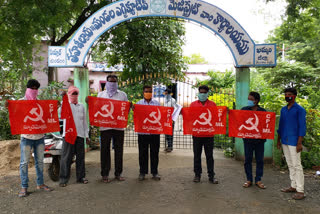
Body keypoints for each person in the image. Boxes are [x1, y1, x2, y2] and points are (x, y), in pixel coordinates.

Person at [6, 79, 53, 197]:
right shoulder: (20, 102)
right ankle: (24, 187)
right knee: (24, 162)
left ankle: (40, 184)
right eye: (32, 88)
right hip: (26, 137)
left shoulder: (41, 103)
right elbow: (14, 115)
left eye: (36, 88)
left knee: (40, 162)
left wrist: (55, 106)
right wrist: (9, 107)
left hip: (40, 137)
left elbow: (48, 116)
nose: (34, 90)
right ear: (27, 88)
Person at [98, 75, 128, 183]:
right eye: (110, 82)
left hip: (118, 128)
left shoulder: (122, 95)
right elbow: (96, 108)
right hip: (105, 128)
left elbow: (125, 110)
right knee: (105, 150)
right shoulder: (100, 95)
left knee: (119, 151)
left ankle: (118, 173)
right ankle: (105, 174)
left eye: (114, 82)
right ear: (106, 82)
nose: (112, 84)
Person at [277, 88, 306, 200]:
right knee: (290, 164)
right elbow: (281, 126)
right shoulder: (283, 109)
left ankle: (300, 190)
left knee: (297, 165)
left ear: (295, 96)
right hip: (284, 140)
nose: (287, 96)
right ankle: (293, 186)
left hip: (294, 141)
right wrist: (278, 140)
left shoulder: (299, 109)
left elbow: (302, 127)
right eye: (286, 94)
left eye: (289, 94)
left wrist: (299, 143)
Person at [59, 86, 89, 187]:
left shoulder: (81, 106)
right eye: (73, 93)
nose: (74, 95)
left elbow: (84, 121)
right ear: (69, 94)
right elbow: (61, 109)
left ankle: (81, 177)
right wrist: (63, 96)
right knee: (66, 158)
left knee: (80, 157)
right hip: (68, 135)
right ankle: (63, 179)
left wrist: (87, 135)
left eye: (76, 93)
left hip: (80, 135)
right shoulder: (66, 105)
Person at [190, 85, 218, 184]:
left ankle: (211, 176)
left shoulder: (213, 105)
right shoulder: (193, 105)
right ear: (198, 93)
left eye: (204, 93)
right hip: (197, 134)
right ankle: (197, 175)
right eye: (200, 92)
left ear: (207, 94)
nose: (202, 94)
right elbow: (190, 117)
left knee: (209, 156)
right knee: (197, 155)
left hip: (209, 135)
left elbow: (215, 117)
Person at [241, 92, 267, 189]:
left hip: (259, 141)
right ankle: (249, 180)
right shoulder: (244, 110)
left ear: (256, 100)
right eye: (248, 99)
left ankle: (258, 180)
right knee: (248, 159)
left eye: (250, 99)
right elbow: (238, 120)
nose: (249, 101)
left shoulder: (263, 111)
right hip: (248, 140)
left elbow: (266, 125)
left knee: (259, 160)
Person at [136, 85, 161, 181]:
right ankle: (142, 172)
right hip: (142, 133)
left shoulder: (157, 103)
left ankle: (155, 172)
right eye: (146, 91)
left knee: (155, 153)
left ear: (152, 93)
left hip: (154, 133)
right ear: (143, 92)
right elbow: (137, 117)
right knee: (142, 153)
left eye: (150, 91)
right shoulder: (138, 103)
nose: (148, 93)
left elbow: (160, 116)